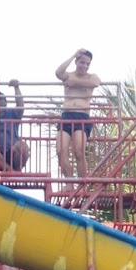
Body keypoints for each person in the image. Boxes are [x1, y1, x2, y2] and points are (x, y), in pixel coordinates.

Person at [54, 48, 102, 178]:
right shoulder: (68, 74)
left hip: (82, 116)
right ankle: (69, 183)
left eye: (87, 64)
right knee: (60, 151)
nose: (84, 66)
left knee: (79, 152)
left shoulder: (92, 77)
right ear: (76, 62)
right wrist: (73, 55)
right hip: (66, 116)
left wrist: (74, 82)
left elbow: (96, 83)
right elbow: (58, 73)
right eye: (82, 62)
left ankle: (83, 186)